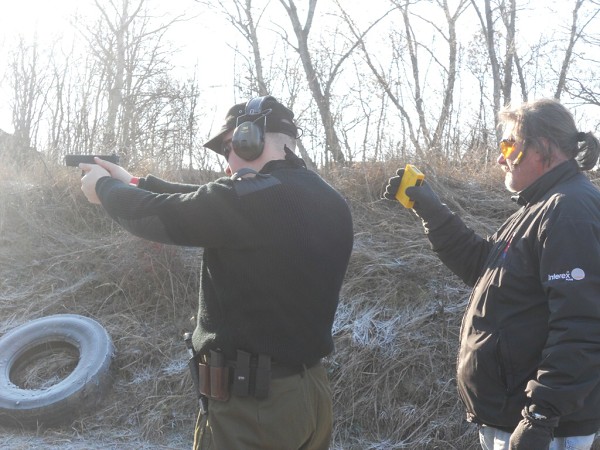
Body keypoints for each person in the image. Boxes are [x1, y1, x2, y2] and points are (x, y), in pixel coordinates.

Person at [80, 95, 354, 450]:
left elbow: (155, 214)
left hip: (253, 412)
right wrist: (133, 181)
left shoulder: (251, 201)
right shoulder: (327, 198)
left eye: (228, 149)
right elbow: (204, 201)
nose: (227, 164)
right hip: (310, 397)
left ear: (249, 139)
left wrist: (103, 188)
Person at [384, 98, 600, 450]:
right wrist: (432, 211)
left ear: (542, 147)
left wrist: (541, 416)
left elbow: (583, 325)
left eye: (508, 145)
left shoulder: (569, 210)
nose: (501, 158)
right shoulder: (538, 207)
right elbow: (483, 267)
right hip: (515, 419)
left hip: (546, 429)